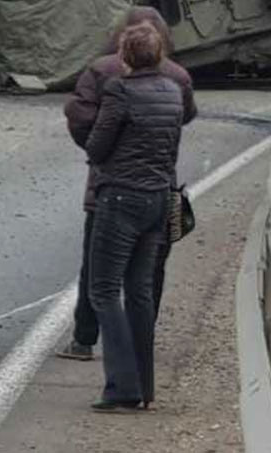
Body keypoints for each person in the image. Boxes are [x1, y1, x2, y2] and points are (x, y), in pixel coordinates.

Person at [60, 8, 196, 363]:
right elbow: (187, 116)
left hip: (109, 187)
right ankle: (141, 342)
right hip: (159, 185)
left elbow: (80, 119)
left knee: (97, 269)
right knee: (150, 272)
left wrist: (100, 156)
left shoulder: (100, 72)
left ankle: (84, 339)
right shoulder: (178, 78)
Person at [83, 23, 184, 413]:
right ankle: (144, 385)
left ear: (125, 55)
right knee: (140, 291)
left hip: (121, 196)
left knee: (104, 290)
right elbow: (172, 146)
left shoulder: (119, 91)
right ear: (159, 55)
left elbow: (98, 145)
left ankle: (121, 386)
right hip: (158, 196)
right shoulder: (173, 92)